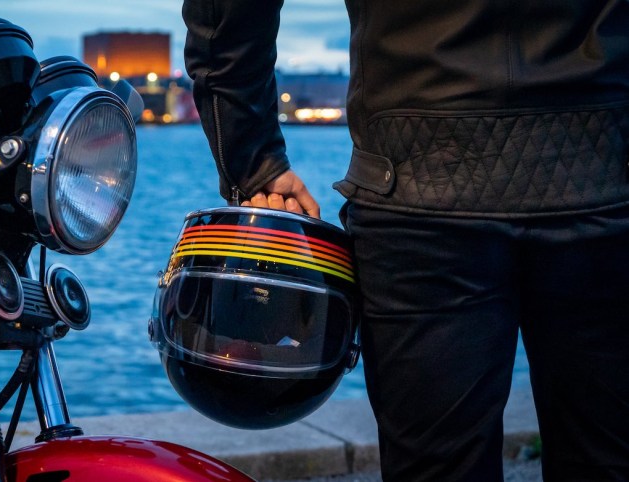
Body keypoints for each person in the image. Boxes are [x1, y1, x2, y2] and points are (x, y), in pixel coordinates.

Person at [181, 0, 629, 480]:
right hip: (606, 173)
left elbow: (223, 14)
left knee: (438, 468)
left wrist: (254, 164)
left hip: (417, 186)